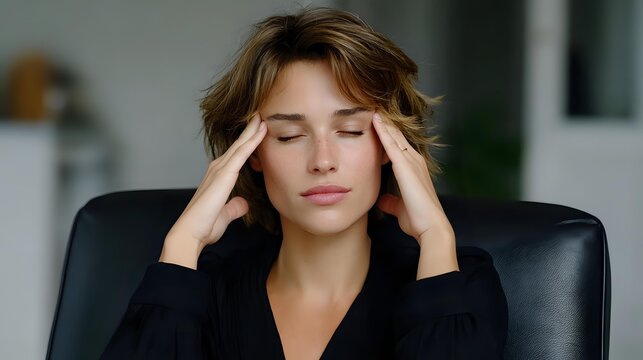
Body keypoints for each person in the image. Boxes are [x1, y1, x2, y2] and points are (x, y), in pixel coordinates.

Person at [101, 7, 508, 360]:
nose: (323, 161)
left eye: (350, 130)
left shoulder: (456, 281)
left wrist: (436, 237)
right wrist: (181, 246)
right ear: (252, 153)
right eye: (289, 136)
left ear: (391, 145)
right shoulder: (205, 289)